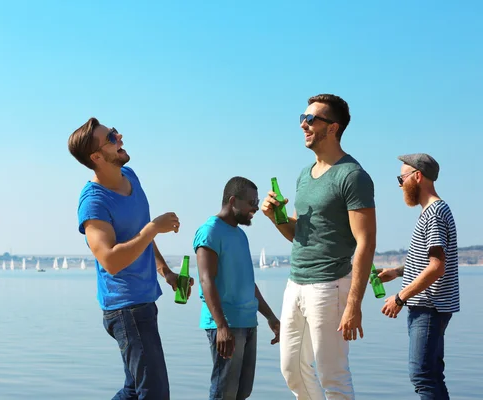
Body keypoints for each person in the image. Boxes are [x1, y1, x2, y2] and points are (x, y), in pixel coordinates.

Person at [67, 117, 194, 400]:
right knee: (154, 393)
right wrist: (152, 229)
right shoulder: (94, 202)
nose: (119, 137)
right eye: (111, 138)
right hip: (125, 309)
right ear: (97, 157)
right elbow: (110, 261)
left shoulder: (131, 177)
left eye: (114, 131)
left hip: (143, 302)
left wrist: (167, 272)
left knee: (134, 390)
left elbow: (140, 237)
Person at [261, 94, 377, 399]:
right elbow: (299, 234)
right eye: (303, 117)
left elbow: (366, 242)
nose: (304, 124)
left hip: (331, 286)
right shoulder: (304, 175)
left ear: (333, 128)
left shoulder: (353, 176)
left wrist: (354, 304)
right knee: (292, 371)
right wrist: (276, 218)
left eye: (312, 119)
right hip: (295, 283)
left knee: (333, 377)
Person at [378, 153, 459, 400]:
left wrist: (400, 298)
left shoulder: (433, 214)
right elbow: (432, 261)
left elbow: (437, 267)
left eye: (401, 178)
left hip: (428, 307)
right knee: (432, 375)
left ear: (417, 176)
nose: (400, 185)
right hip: (433, 307)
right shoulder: (435, 210)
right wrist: (398, 271)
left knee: (422, 376)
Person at [194, 176, 280, 400]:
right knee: (225, 393)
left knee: (242, 392)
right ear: (233, 200)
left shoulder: (241, 235)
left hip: (248, 323)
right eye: (251, 202)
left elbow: (247, 283)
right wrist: (221, 327)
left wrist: (270, 316)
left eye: (257, 201)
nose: (255, 208)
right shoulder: (209, 231)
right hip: (227, 326)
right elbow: (206, 280)